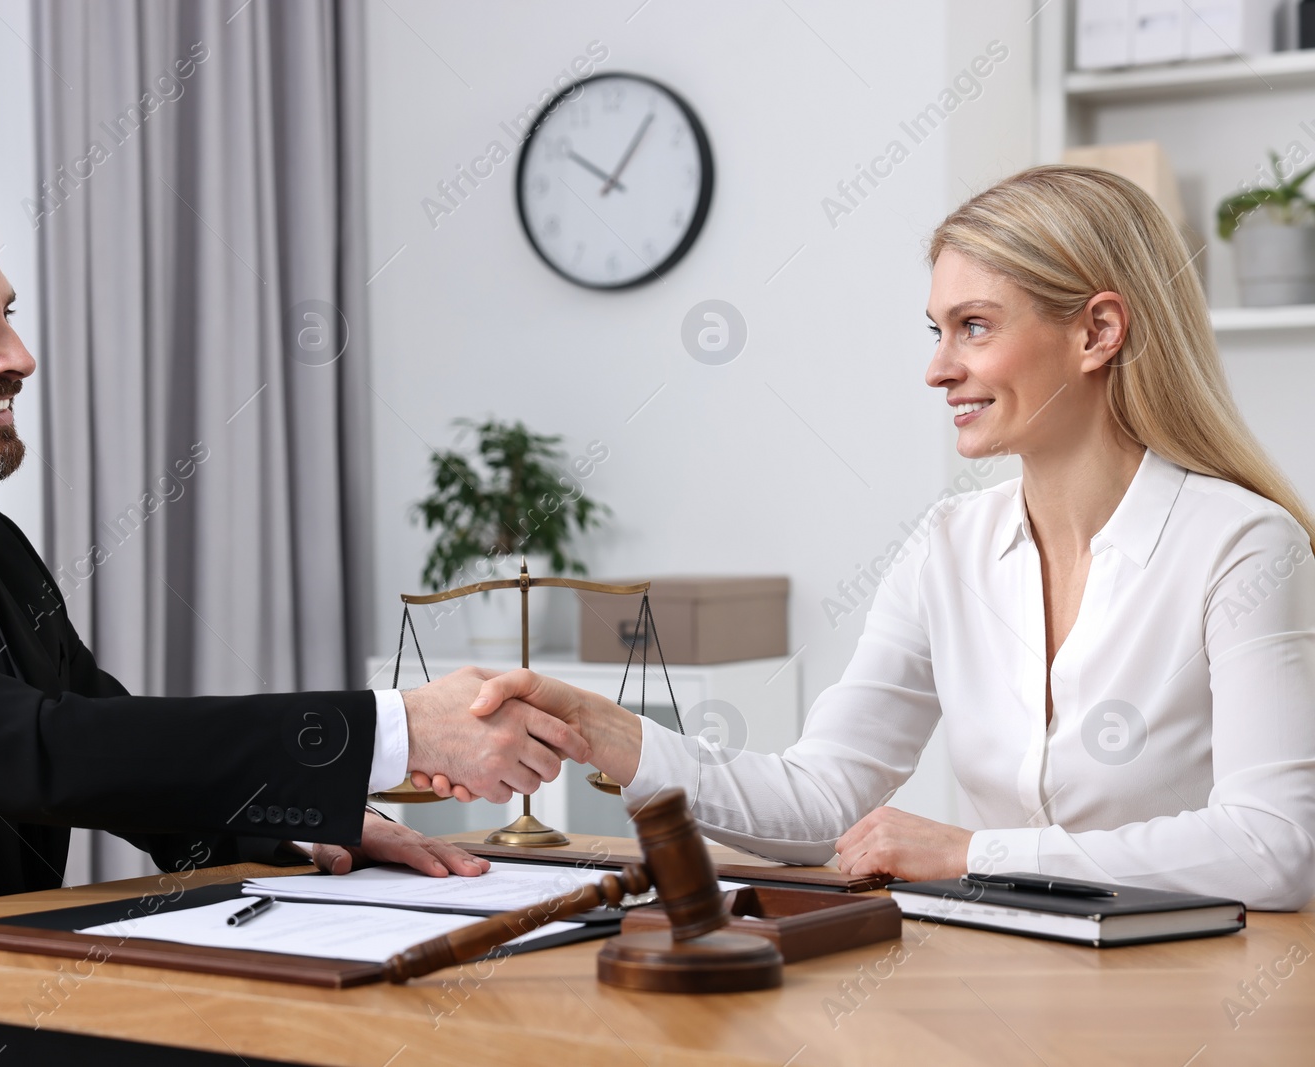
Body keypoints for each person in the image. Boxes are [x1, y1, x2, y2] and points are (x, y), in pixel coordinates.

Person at [0, 157, 586, 1064]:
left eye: (7, 314)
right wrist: (389, 731)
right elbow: (28, 747)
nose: (17, 355)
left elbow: (103, 730)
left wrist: (299, 828)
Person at [439, 165, 1315, 912]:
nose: (938, 367)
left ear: (1097, 331)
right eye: (937, 331)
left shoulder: (1243, 545)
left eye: (974, 325)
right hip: (1008, 988)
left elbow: (1274, 844)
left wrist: (975, 852)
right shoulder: (948, 549)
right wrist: (600, 728)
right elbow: (820, 800)